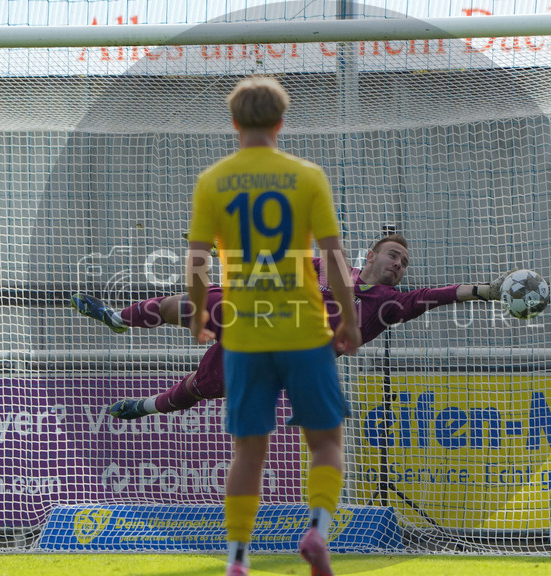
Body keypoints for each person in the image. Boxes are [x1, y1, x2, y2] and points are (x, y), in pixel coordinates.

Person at [187, 76, 359, 576]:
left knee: (248, 450)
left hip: (245, 336)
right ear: (281, 122)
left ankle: (238, 559)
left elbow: (197, 260)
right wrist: (349, 319)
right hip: (305, 332)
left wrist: (198, 313)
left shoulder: (212, 181)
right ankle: (317, 530)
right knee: (326, 442)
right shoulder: (307, 176)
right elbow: (335, 258)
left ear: (234, 122)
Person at [71, 233, 509, 418]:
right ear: (371, 255)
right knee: (183, 304)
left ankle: (143, 407)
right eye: (394, 255)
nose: (399, 264)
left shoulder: (391, 305)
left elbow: (441, 293)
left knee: (202, 385)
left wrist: (485, 290)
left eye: (405, 262)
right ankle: (117, 318)